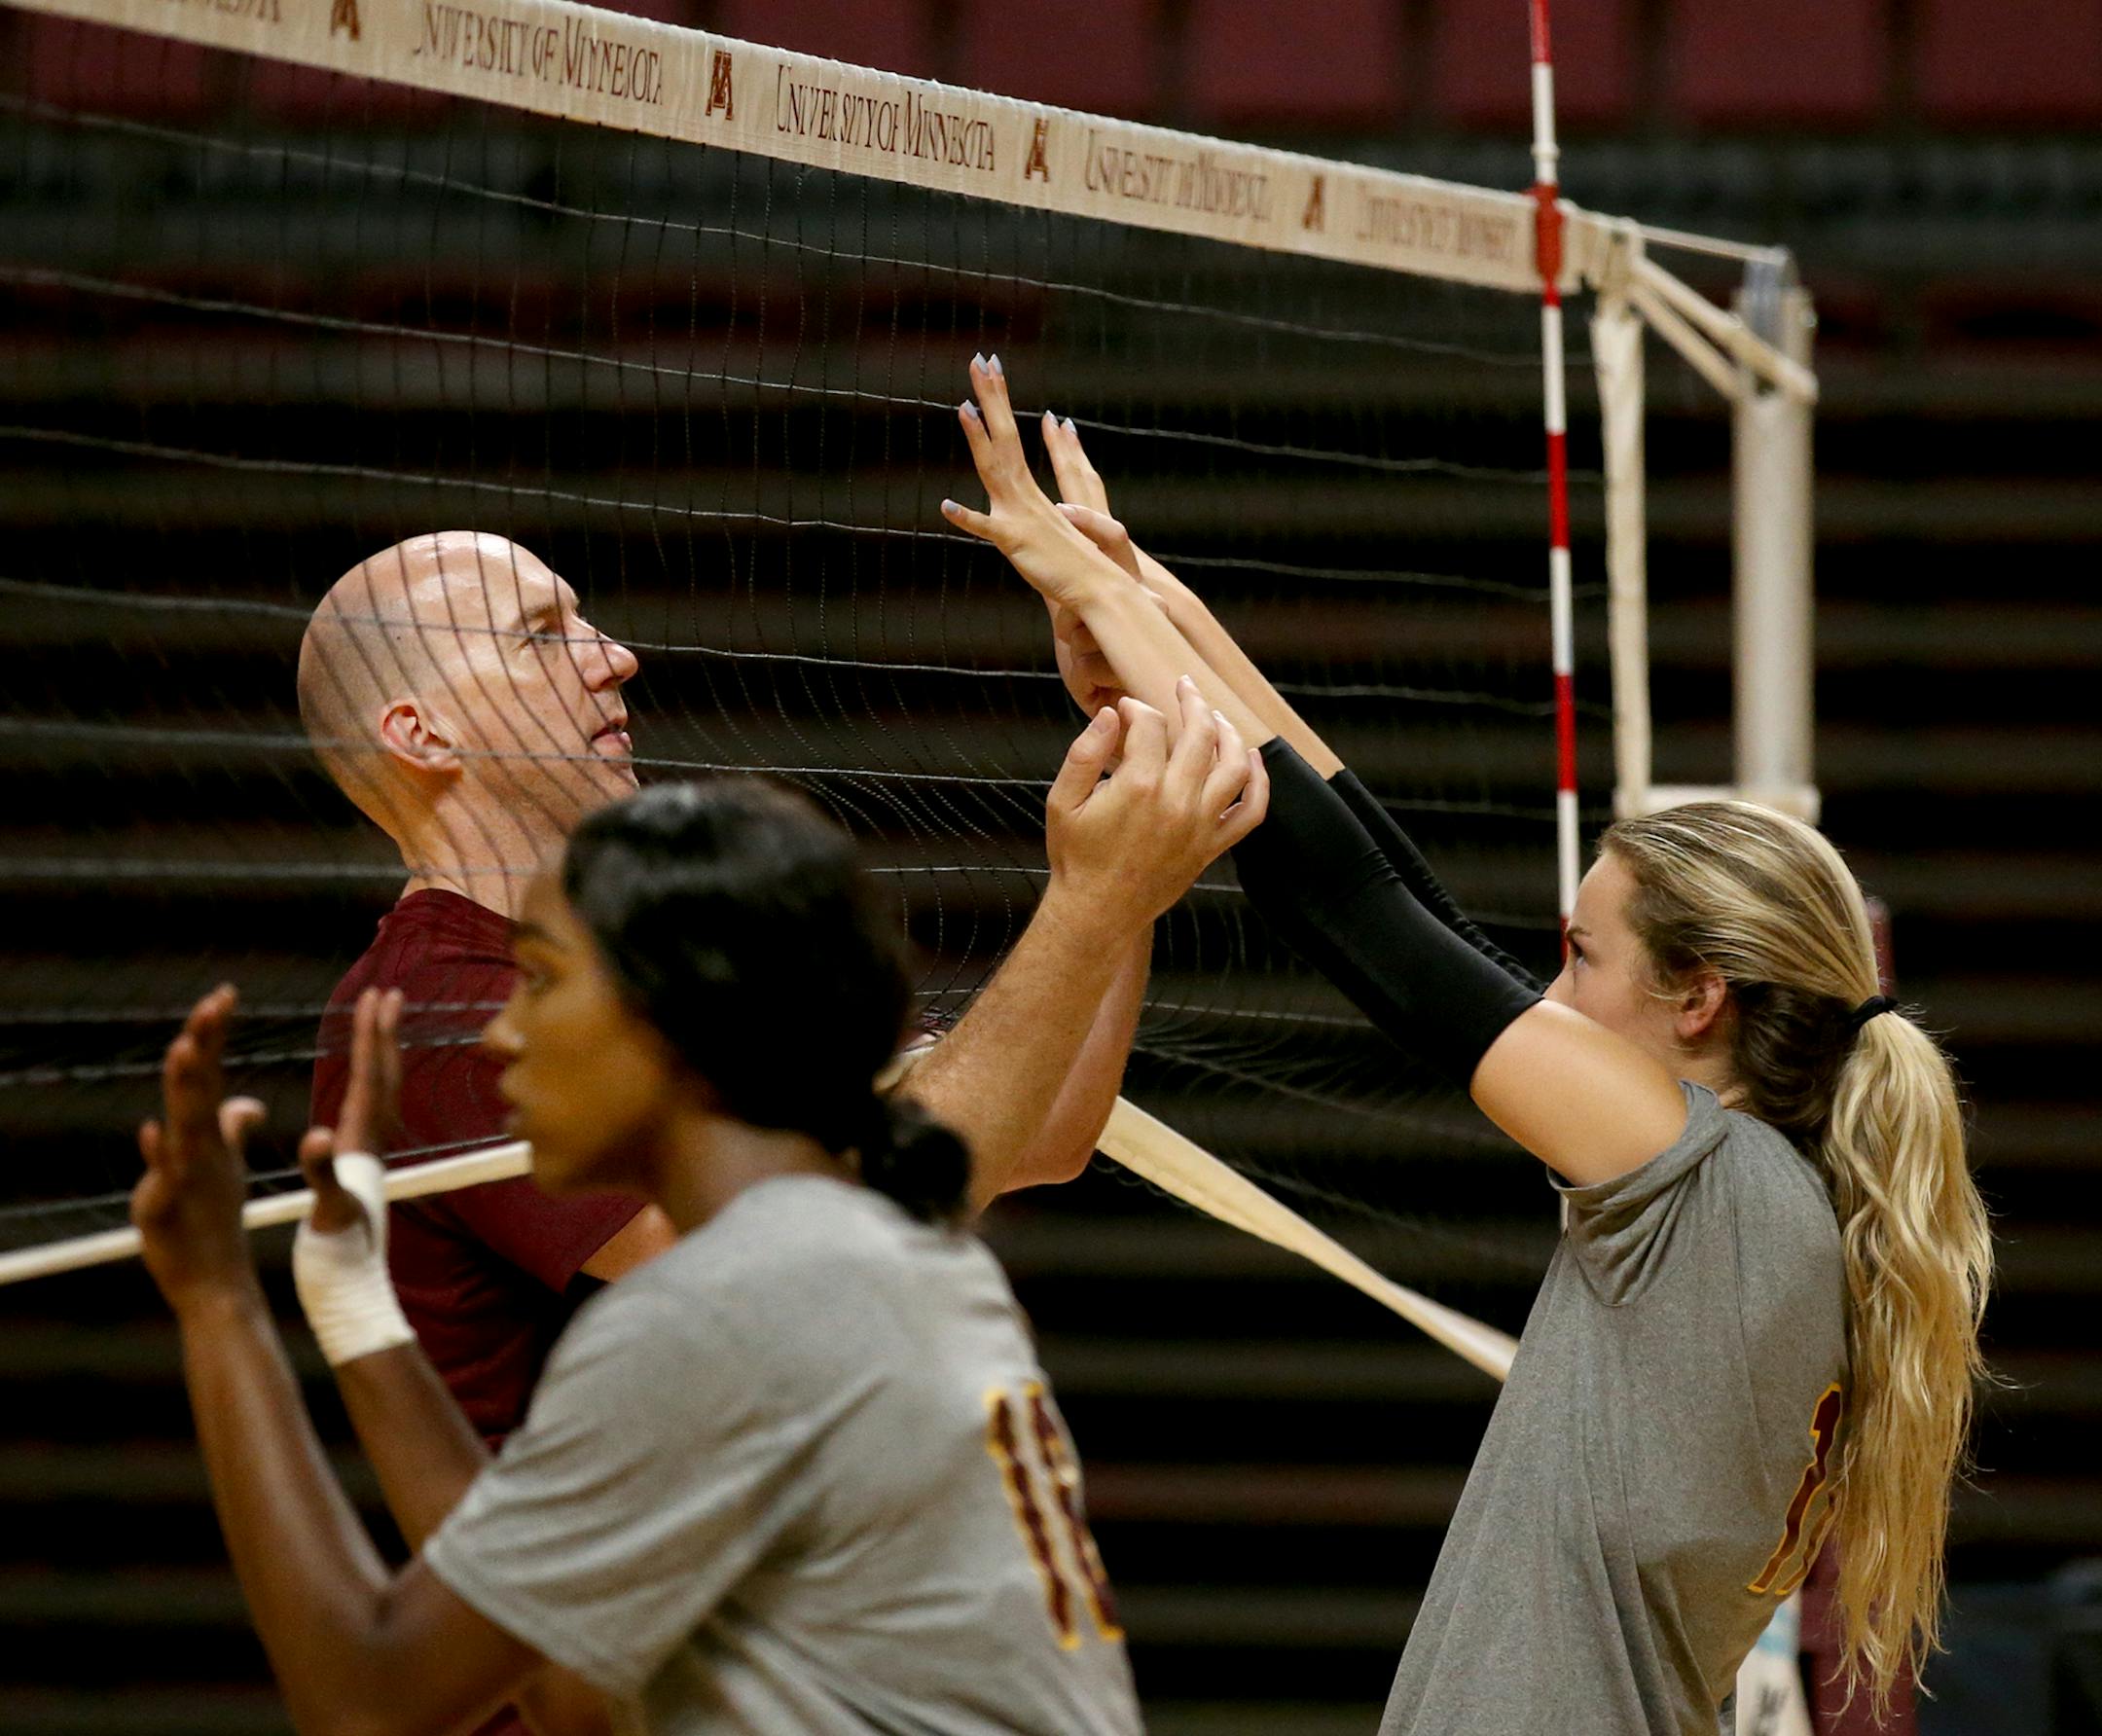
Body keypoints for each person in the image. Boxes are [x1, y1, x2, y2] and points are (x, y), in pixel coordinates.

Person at [942, 353, 1992, 1732]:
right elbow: (1405, 897)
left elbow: (1360, 918)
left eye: (1582, 957)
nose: (1547, 997)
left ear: (1701, 1002)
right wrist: (1161, 614)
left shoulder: (1707, 1183)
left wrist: (1090, 594)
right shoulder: (1771, 1202)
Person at [130, 752, 1264, 1735]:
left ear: (671, 1017)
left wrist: (218, 1303)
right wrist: (350, 1295)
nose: (503, 1028)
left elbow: (370, 1694)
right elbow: (564, 1678)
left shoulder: (729, 1312)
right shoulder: (890, 1258)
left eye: (542, 979)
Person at [297, 529, 1162, 1454]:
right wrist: (1089, 899)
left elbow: (1045, 1124)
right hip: (599, 1591)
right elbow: (804, 1265)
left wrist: (1133, 808)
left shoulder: (667, 946)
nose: (614, 659)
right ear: (421, 734)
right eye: (542, 637)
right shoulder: (430, 1012)